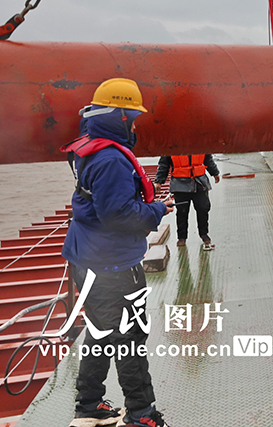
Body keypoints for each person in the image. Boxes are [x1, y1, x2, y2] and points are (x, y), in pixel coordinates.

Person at [60, 78, 174, 427]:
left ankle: (89, 404)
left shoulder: (94, 147)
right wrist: (156, 211)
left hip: (90, 258)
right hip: (112, 265)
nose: (136, 125)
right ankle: (141, 414)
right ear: (120, 117)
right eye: (133, 118)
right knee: (129, 339)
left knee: (98, 332)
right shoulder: (111, 159)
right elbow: (118, 214)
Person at [153, 154, 220, 250]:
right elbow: (164, 164)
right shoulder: (172, 146)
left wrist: (215, 173)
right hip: (179, 184)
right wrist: (159, 181)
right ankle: (182, 237)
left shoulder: (201, 144)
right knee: (182, 212)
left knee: (203, 209)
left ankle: (204, 234)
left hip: (199, 183)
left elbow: (208, 159)